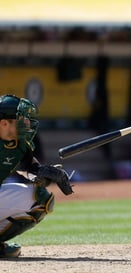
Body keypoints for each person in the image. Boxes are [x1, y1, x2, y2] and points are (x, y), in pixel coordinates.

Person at [0, 94, 72, 258]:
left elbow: (28, 167)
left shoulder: (17, 144)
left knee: (41, 198)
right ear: (4, 123)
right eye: (20, 119)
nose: (26, 123)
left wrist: (43, 174)